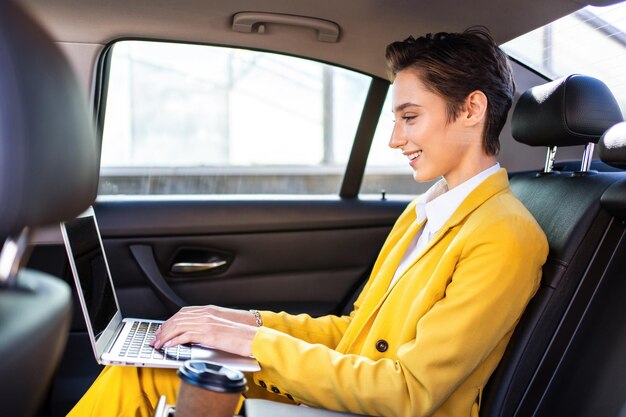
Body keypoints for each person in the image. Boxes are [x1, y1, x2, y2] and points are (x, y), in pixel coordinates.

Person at [68, 27, 548, 417]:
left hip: (382, 410)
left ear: (471, 108)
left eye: (410, 117)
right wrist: (241, 322)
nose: (395, 140)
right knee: (143, 370)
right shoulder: (424, 211)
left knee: (148, 377)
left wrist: (252, 342)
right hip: (354, 396)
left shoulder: (504, 235)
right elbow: (355, 335)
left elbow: (409, 391)